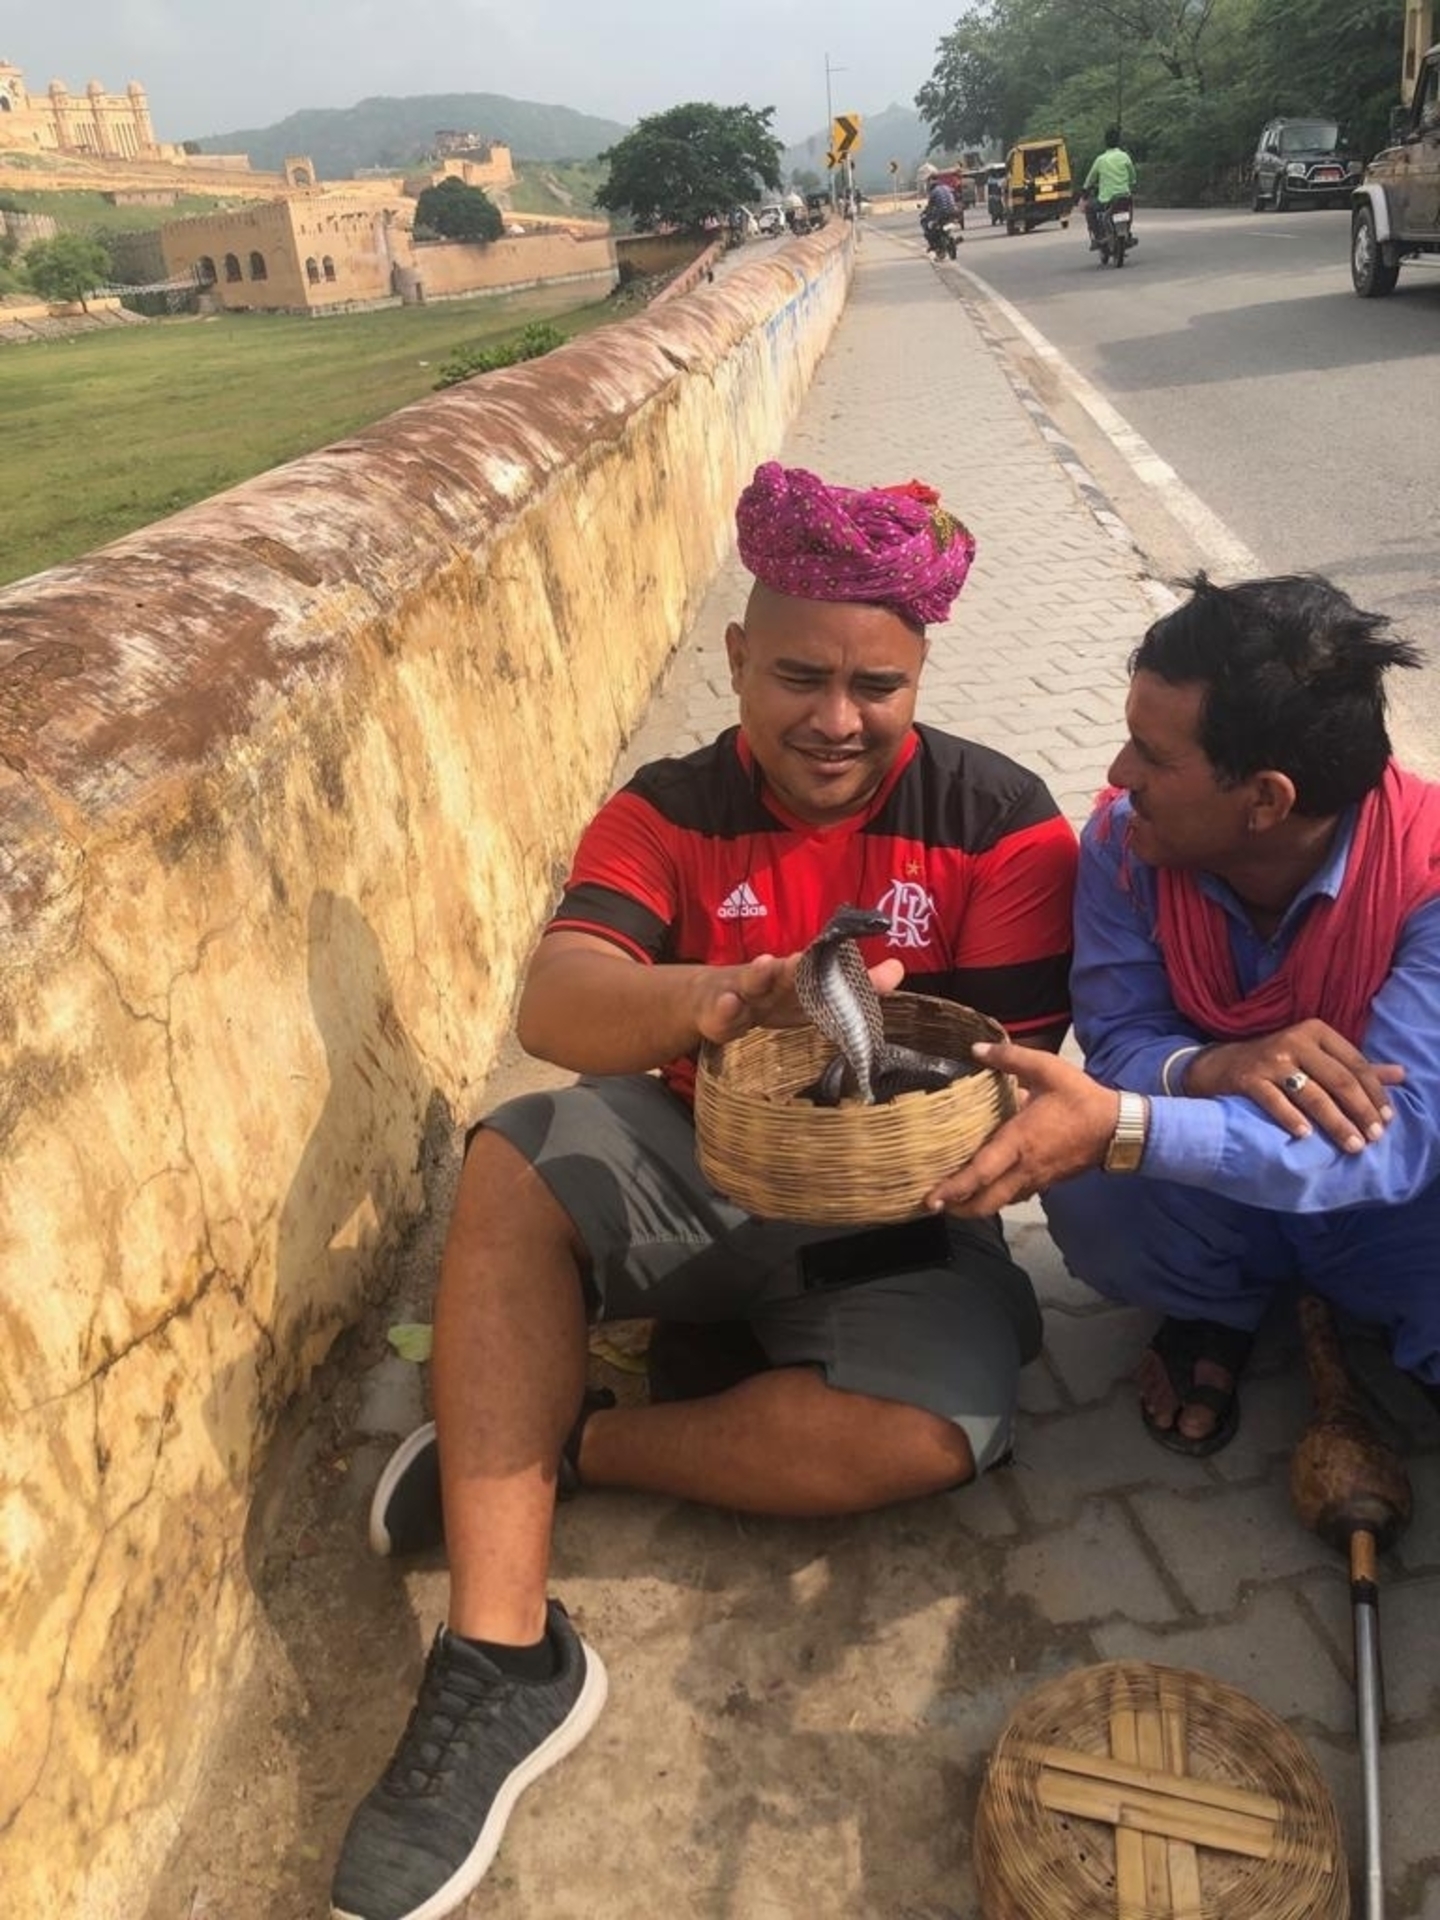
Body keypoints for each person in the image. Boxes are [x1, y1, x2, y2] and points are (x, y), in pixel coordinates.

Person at [328, 462, 1079, 1920]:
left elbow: (1014, 1066)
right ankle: (504, 1655)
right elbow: (559, 1000)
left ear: (921, 677)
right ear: (735, 658)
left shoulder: (1006, 819)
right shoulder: (663, 810)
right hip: (694, 1158)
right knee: (515, 1155)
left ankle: (564, 1447)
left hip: (903, 1208)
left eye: (877, 685)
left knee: (931, 1438)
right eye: (800, 676)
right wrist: (720, 997)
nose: (837, 719)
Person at [928, 573, 1440, 1455]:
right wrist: (1209, 1067)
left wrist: (1128, 1127)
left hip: (1386, 1202)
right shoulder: (1124, 850)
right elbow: (1121, 1038)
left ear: (1266, 801)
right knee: (1094, 1200)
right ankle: (1220, 1304)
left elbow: (1397, 1140)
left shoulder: (1424, 875)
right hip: (1226, 1185)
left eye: (1152, 757)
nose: (1117, 776)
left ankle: (1380, 1310)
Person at [1081, 125, 1137, 247]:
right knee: (1129, 206)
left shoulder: (1100, 160)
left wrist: (1084, 192)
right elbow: (1133, 177)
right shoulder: (1125, 156)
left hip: (1106, 199)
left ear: (1105, 142)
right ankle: (1127, 232)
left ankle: (1098, 237)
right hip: (1124, 196)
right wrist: (1130, 183)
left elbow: (1090, 179)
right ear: (1118, 141)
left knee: (1089, 208)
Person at [920, 174, 961, 256]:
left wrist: (925, 212)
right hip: (954, 212)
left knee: (926, 224)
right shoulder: (947, 188)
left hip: (942, 214)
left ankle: (933, 245)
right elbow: (955, 196)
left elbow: (930, 207)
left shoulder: (934, 192)